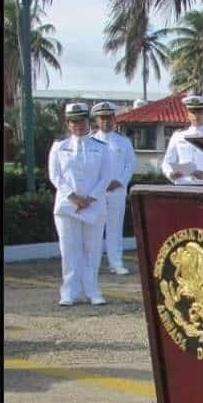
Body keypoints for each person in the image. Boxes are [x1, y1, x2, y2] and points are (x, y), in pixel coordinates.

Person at [48, 102, 112, 306]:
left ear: (88, 121)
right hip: (67, 207)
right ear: (67, 124)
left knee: (92, 250)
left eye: (82, 120)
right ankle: (69, 292)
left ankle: (92, 291)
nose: (78, 125)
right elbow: (55, 176)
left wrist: (91, 197)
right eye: (73, 121)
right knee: (69, 250)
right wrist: (73, 197)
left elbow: (106, 176)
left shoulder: (101, 147)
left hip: (94, 205)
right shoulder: (59, 147)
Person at [91, 101, 136, 275]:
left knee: (115, 228)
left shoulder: (123, 142)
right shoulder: (90, 141)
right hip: (96, 192)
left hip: (117, 190)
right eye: (102, 118)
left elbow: (130, 165)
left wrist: (120, 181)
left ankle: (115, 262)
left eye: (109, 118)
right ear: (96, 120)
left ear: (114, 119)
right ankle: (92, 264)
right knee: (94, 228)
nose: (106, 122)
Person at [161, 95, 203, 186]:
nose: (196, 116)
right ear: (188, 115)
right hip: (182, 185)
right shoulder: (178, 135)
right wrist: (170, 173)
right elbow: (166, 162)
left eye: (200, 112)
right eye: (193, 112)